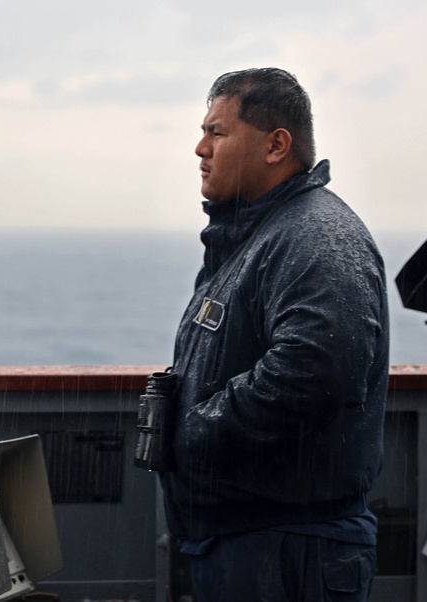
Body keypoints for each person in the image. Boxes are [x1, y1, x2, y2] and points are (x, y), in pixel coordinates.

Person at [159, 67, 388, 600]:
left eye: (217, 132)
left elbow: (316, 372)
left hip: (288, 553)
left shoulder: (314, 236)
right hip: (250, 543)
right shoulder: (258, 236)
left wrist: (195, 430)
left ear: (276, 145)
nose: (200, 148)